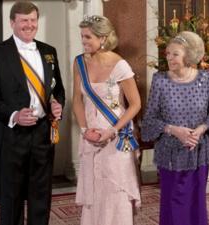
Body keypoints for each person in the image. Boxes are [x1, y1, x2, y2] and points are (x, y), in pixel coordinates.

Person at [0, 2, 65, 225]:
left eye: (33, 20)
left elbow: (57, 90)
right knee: (11, 197)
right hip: (13, 136)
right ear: (12, 23)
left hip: (43, 133)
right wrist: (14, 115)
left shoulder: (49, 52)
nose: (29, 25)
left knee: (41, 195)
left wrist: (57, 105)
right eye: (24, 21)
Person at [72, 15, 141, 225]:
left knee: (114, 190)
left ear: (103, 38)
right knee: (94, 190)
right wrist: (84, 130)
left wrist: (111, 131)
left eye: (88, 37)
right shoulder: (79, 62)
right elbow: (76, 100)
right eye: (82, 37)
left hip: (116, 137)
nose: (83, 42)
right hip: (91, 136)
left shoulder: (120, 65)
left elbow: (135, 104)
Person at [141, 31, 209, 225]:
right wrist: (174, 130)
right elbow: (149, 120)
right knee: (173, 203)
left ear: (189, 55)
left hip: (198, 151)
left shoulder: (206, 79)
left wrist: (201, 129)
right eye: (168, 53)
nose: (169, 57)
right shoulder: (160, 80)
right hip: (170, 153)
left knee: (196, 202)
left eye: (175, 54)